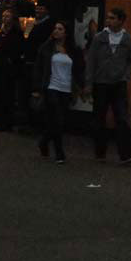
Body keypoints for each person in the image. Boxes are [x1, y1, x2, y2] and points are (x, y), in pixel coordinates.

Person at [85, 7, 131, 164]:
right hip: (101, 82)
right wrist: (88, 82)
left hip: (118, 83)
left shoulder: (128, 40)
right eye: (108, 18)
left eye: (113, 18)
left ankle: (125, 154)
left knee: (122, 117)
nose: (109, 20)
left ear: (121, 21)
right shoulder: (99, 37)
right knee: (99, 118)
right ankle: (100, 152)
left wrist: (126, 75)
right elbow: (91, 60)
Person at [32, 20, 84, 164]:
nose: (56, 31)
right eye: (55, 28)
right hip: (51, 87)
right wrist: (36, 88)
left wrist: (82, 85)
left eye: (60, 29)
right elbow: (39, 68)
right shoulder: (46, 48)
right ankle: (59, 153)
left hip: (66, 88)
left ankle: (44, 141)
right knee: (57, 119)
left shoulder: (73, 50)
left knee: (57, 122)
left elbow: (78, 69)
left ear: (66, 32)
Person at [0, 10, 25, 132]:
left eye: (7, 16)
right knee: (0, 95)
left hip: (8, 69)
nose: (4, 18)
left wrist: (10, 60)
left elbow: (17, 50)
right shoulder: (2, 32)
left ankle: (6, 122)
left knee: (7, 96)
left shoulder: (16, 33)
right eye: (3, 16)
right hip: (0, 67)